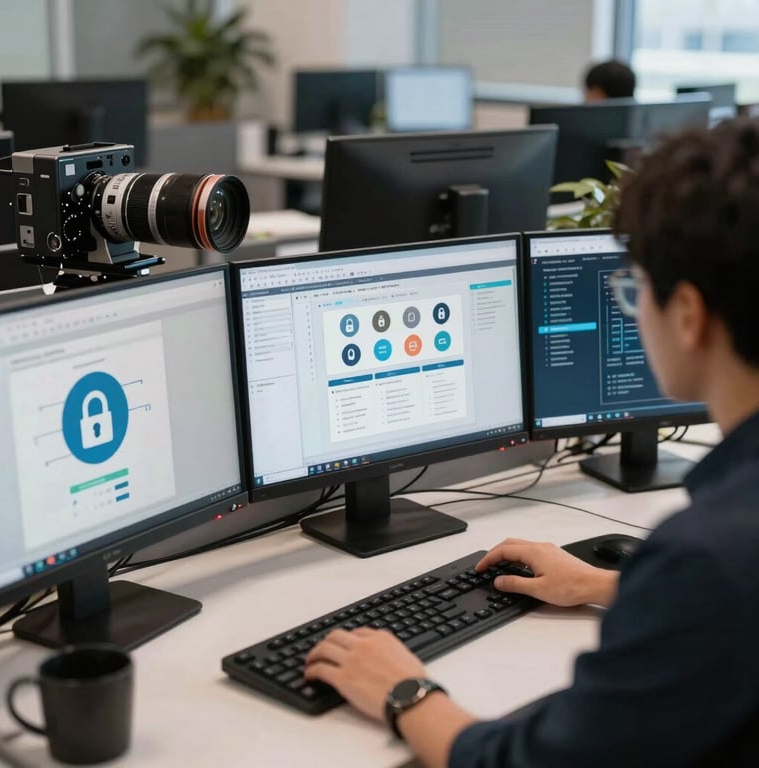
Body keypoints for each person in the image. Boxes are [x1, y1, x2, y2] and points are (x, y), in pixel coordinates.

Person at [304, 118, 759, 767]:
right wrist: (604, 585)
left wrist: (404, 691)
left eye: (635, 291)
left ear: (687, 315)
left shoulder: (709, 557)